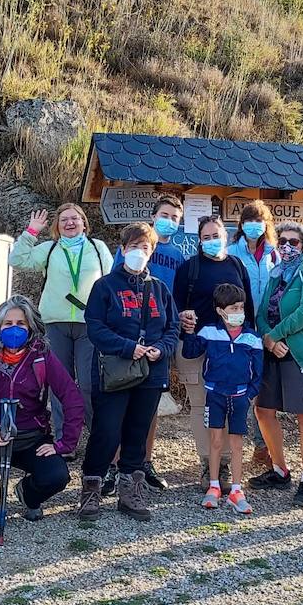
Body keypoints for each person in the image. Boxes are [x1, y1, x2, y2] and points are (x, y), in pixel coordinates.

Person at [0, 296, 83, 529]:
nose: (15, 329)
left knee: (57, 476)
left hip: (31, 439)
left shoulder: (42, 356)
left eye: (21, 324)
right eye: (8, 324)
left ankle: (27, 494)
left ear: (31, 327)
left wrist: (64, 444)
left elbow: (72, 398)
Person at [80, 222, 179, 521]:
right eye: (133, 247)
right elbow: (95, 326)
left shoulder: (159, 289)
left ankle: (130, 491)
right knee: (107, 431)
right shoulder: (105, 286)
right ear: (122, 250)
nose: (139, 252)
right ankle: (91, 489)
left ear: (152, 252)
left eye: (145, 248)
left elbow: (172, 327)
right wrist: (126, 347)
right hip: (115, 370)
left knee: (138, 431)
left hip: (151, 372)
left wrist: (162, 347)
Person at [10, 205, 113, 444]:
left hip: (90, 325)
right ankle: (64, 439)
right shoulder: (50, 249)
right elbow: (17, 259)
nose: (70, 223)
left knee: (88, 384)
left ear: (84, 223)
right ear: (56, 227)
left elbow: (110, 281)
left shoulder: (98, 249)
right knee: (59, 385)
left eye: (75, 218)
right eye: (64, 219)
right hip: (55, 324)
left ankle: (97, 439)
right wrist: (31, 232)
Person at [250, 221, 303, 507]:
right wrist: (268, 340)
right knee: (263, 410)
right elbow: (262, 312)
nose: (286, 246)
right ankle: (279, 469)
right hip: (275, 352)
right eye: (282, 240)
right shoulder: (277, 274)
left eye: (293, 242)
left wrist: (275, 335)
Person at [174, 215, 256, 490]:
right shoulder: (190, 268)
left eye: (216, 235)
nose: (212, 241)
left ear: (226, 235)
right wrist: (183, 323)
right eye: (206, 237)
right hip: (197, 345)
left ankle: (227, 462)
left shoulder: (236, 264)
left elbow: (249, 307)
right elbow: (175, 307)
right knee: (202, 407)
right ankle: (208, 463)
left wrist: (250, 340)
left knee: (232, 404)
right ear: (199, 240)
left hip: (232, 348)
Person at [112, 194, 186, 491]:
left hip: (158, 336)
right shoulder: (132, 246)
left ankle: (144, 461)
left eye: (175, 218)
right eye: (164, 214)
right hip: (128, 334)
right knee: (121, 400)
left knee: (150, 404)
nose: (168, 221)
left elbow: (177, 298)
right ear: (154, 215)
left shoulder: (178, 255)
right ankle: (116, 465)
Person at [182, 283, 264, 514]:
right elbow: (190, 352)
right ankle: (214, 486)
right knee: (216, 441)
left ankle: (237, 490)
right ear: (220, 310)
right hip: (214, 395)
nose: (239, 312)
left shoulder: (252, 337)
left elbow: (258, 372)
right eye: (233, 308)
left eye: (241, 307)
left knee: (237, 444)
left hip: (239, 396)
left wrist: (248, 395)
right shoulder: (209, 332)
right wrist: (189, 333)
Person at [225, 201, 279, 470]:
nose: (254, 225)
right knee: (238, 390)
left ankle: (262, 447)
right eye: (249, 220)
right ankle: (229, 449)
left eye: (259, 220)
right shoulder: (231, 252)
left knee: (264, 391)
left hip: (267, 330)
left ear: (266, 224)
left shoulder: (275, 254)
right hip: (239, 328)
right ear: (241, 224)